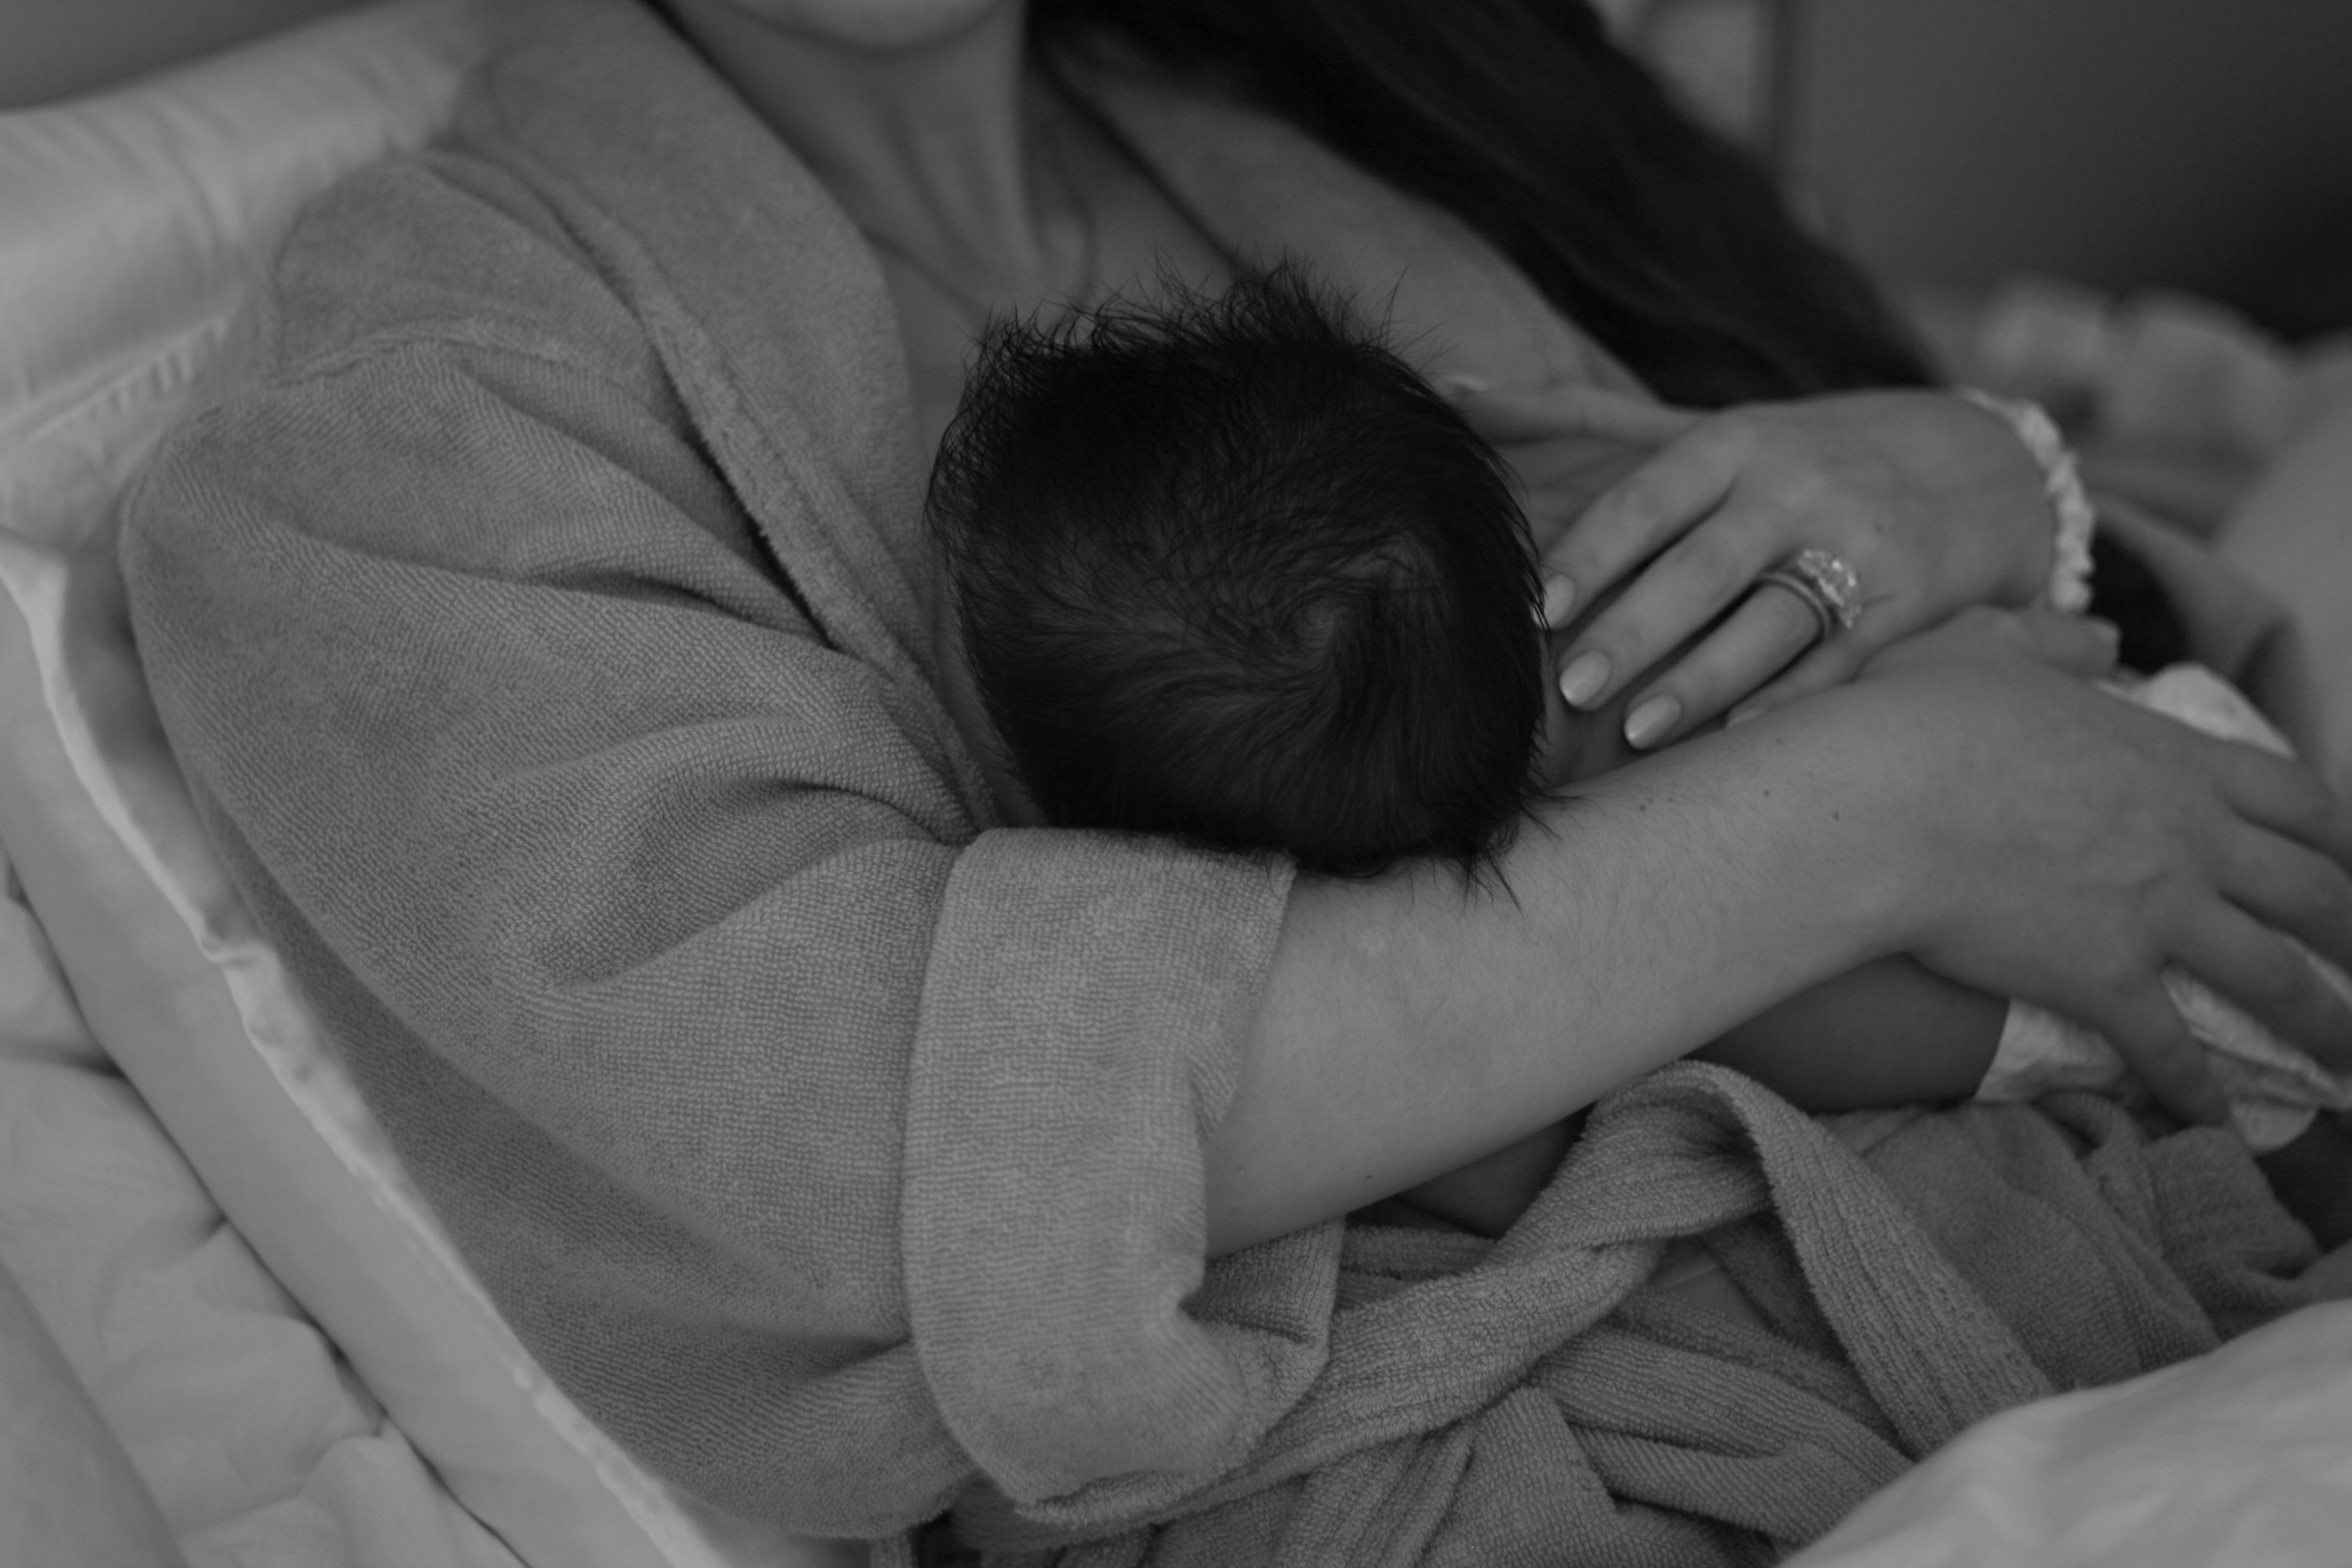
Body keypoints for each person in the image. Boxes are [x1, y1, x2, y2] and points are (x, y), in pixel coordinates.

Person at [116, 0, 2352, 1557]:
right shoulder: (413, 411)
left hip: (2157, 1084)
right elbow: (861, 1154)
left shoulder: (1369, 87)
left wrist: (1996, 474)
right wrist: (1877, 817)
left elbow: (2090, 666)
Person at [930, 267, 2352, 1244]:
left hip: (2168, 945)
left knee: (2236, 1121)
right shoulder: (1628, 593)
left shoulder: (1642, 977)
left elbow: (1496, 1169)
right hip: (2207, 775)